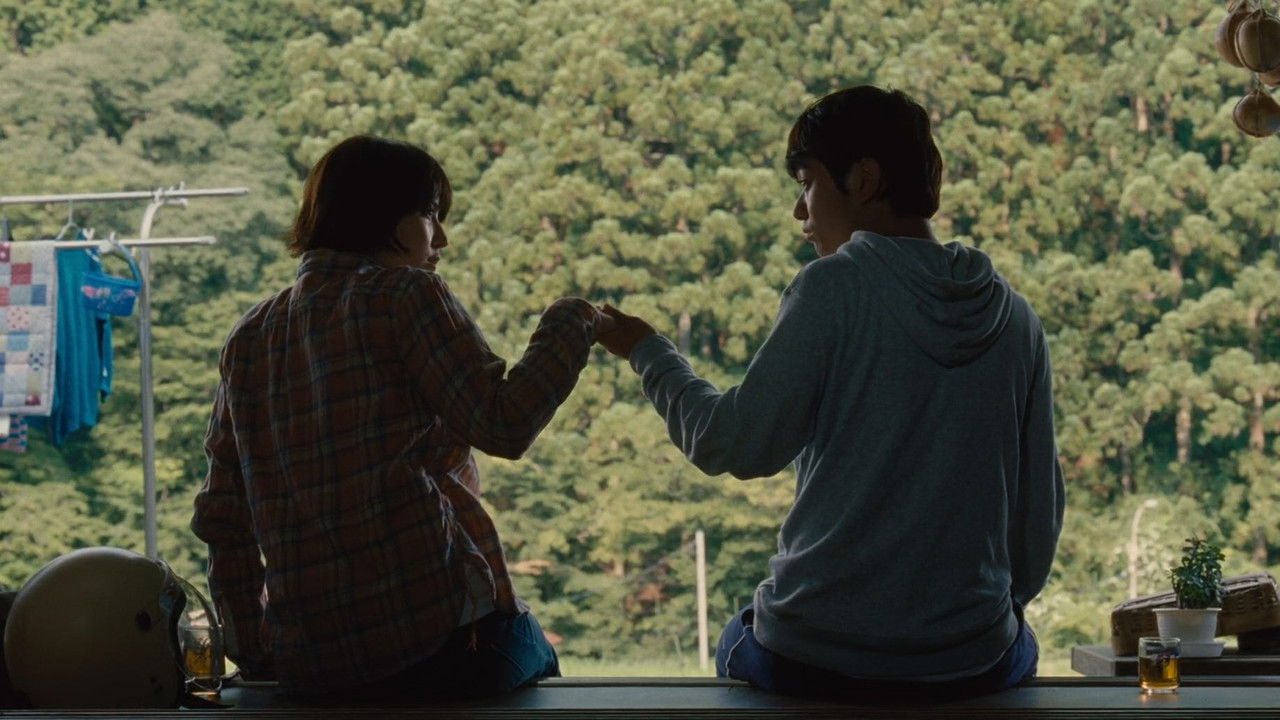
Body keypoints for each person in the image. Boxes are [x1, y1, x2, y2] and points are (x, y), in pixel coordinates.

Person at [595, 86, 1065, 699]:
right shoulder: (1018, 320)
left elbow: (731, 443)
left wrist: (647, 351)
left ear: (863, 179)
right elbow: (1036, 525)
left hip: (820, 657)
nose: (800, 212)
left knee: (738, 635)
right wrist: (966, 624)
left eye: (807, 183)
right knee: (1019, 645)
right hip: (972, 661)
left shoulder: (833, 288)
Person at [192, 135, 612, 700]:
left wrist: (254, 649)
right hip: (433, 640)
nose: (441, 239)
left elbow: (224, 516)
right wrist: (574, 319)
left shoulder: (250, 335)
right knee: (538, 663)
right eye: (430, 215)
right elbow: (503, 425)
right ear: (380, 215)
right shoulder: (405, 295)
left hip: (313, 665)